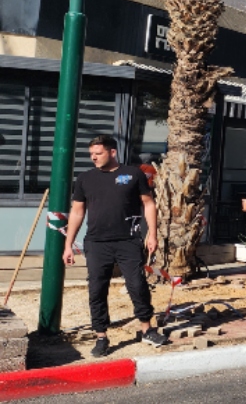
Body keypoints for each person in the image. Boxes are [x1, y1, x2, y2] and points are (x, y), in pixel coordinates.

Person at [62, 135, 168, 357]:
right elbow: (77, 211)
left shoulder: (133, 174)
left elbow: (148, 204)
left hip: (128, 241)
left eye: (98, 153)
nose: (94, 157)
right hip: (97, 243)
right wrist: (68, 244)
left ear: (112, 152)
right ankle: (101, 336)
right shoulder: (85, 179)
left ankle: (146, 329)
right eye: (91, 154)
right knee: (97, 289)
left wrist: (152, 235)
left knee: (137, 284)